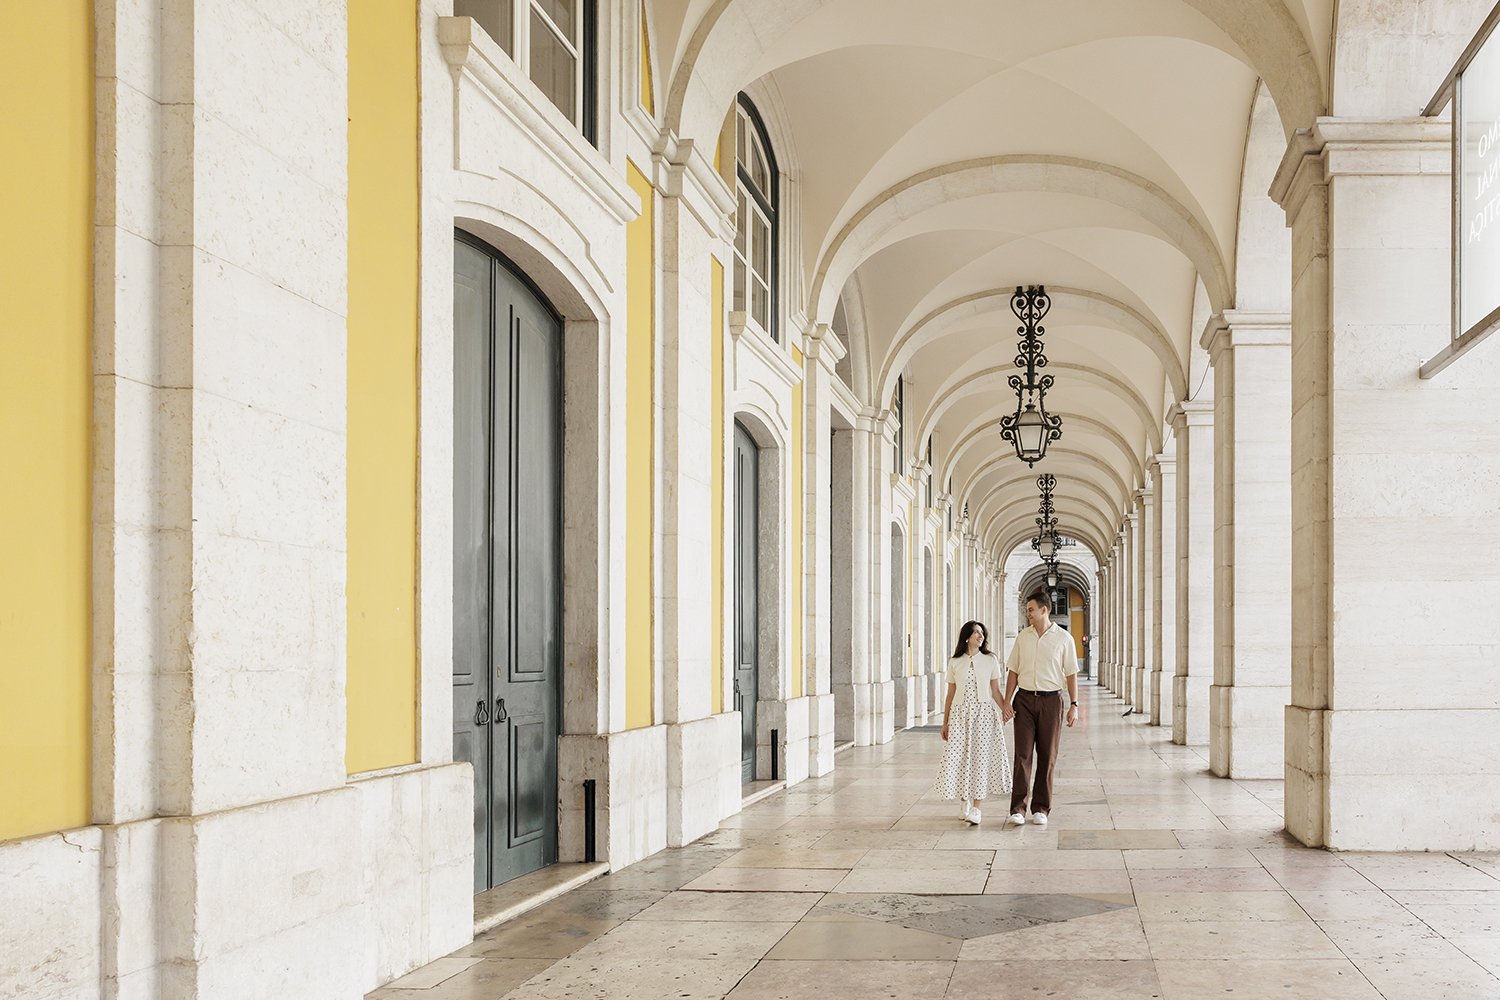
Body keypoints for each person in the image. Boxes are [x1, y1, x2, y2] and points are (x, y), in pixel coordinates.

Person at [1005, 591, 1083, 826]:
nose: (1027, 613)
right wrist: (1007, 702)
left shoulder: (1064, 638)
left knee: (1048, 755)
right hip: (1025, 700)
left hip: (1051, 701)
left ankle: (1041, 808)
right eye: (1027, 610)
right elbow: (1013, 671)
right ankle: (1018, 808)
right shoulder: (1023, 637)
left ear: (1044, 610)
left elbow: (1071, 674)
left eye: (1030, 609)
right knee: (1022, 755)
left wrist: (1074, 705)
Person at [935, 620, 1014, 826]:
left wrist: (1006, 707)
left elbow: (995, 690)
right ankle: (965, 802)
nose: (981, 636)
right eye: (977, 633)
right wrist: (945, 723)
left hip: (984, 715)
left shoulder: (990, 660)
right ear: (967, 637)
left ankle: (977, 808)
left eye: (982, 633)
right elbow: (950, 694)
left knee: (979, 759)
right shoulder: (955, 662)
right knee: (960, 758)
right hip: (959, 715)